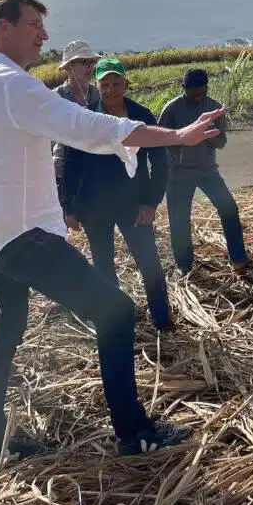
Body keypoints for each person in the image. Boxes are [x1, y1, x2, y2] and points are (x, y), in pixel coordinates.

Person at [0, 0, 226, 467]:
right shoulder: (11, 84)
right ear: (4, 28)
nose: (44, 35)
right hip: (23, 234)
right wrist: (176, 136)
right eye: (34, 25)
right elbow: (86, 126)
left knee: (3, 335)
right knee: (116, 312)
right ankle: (133, 432)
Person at [61, 58, 172, 331]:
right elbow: (71, 164)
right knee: (103, 265)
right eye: (105, 84)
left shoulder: (141, 117)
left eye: (116, 83)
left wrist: (151, 202)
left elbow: (160, 162)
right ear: (97, 86)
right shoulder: (87, 119)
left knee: (149, 262)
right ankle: (116, 322)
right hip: (94, 206)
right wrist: (69, 207)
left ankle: (162, 320)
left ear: (126, 84)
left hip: (134, 204)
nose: (111, 89)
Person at [158, 68, 250, 274]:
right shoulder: (171, 109)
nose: (199, 96)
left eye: (202, 91)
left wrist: (207, 134)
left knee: (229, 209)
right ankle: (184, 265)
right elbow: (161, 140)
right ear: (184, 88)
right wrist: (183, 139)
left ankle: (238, 258)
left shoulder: (214, 108)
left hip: (207, 170)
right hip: (179, 174)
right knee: (179, 219)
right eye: (194, 93)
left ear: (207, 87)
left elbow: (222, 142)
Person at [52, 40, 102, 181]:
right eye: (84, 62)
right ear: (69, 67)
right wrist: (51, 161)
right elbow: (43, 138)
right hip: (65, 169)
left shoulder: (98, 95)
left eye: (92, 62)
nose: (90, 67)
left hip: (96, 165)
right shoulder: (55, 98)